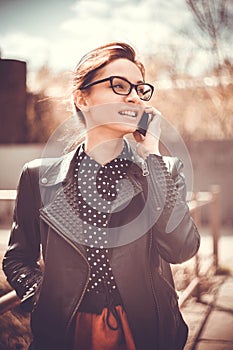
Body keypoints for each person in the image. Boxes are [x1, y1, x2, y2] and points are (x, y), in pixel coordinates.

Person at [3, 42, 200, 350]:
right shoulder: (37, 177)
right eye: (119, 86)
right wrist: (42, 295)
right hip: (66, 331)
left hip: (148, 331)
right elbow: (18, 258)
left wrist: (150, 156)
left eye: (139, 89)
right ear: (82, 99)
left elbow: (181, 249)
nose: (134, 96)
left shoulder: (162, 169)